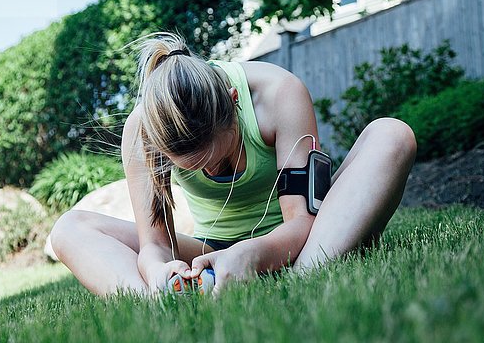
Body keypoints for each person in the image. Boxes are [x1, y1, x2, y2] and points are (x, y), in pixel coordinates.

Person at [50, 31, 417, 297]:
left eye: (219, 158)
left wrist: (252, 255)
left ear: (234, 102)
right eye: (193, 168)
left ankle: (304, 276)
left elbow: (303, 222)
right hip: (211, 251)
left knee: (391, 134)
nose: (209, 173)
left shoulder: (277, 94)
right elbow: (154, 245)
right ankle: (159, 300)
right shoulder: (144, 129)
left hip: (310, 238)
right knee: (70, 228)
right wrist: (158, 271)